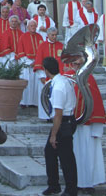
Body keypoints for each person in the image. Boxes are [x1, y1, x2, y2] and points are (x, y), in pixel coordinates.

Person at [66, 61, 106, 193]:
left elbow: (96, 102)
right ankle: (76, 182)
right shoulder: (68, 78)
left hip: (87, 125)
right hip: (73, 125)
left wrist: (97, 126)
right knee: (75, 155)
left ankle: (88, 183)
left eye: (78, 63)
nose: (75, 66)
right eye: (74, 63)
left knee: (88, 156)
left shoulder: (89, 79)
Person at [42, 57, 77, 196]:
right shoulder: (62, 81)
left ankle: (70, 189)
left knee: (66, 158)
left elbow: (58, 113)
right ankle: (53, 185)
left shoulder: (58, 87)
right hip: (65, 121)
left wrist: (54, 135)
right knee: (50, 153)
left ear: (46, 70)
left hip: (64, 123)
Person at [34, 27, 64, 120]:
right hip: (45, 76)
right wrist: (42, 76)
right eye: (52, 35)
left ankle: (56, 116)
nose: (54, 37)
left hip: (58, 77)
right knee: (45, 96)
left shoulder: (61, 46)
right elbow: (39, 61)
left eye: (55, 35)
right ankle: (45, 115)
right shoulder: (42, 46)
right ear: (48, 35)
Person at [17, 20, 43, 107]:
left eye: (34, 26)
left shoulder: (40, 37)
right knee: (27, 84)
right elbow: (20, 52)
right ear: (28, 27)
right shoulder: (23, 37)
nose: (33, 27)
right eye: (31, 26)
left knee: (36, 84)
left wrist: (37, 62)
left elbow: (42, 51)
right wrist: (29, 63)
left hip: (37, 64)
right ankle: (24, 102)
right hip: (27, 64)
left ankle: (34, 102)